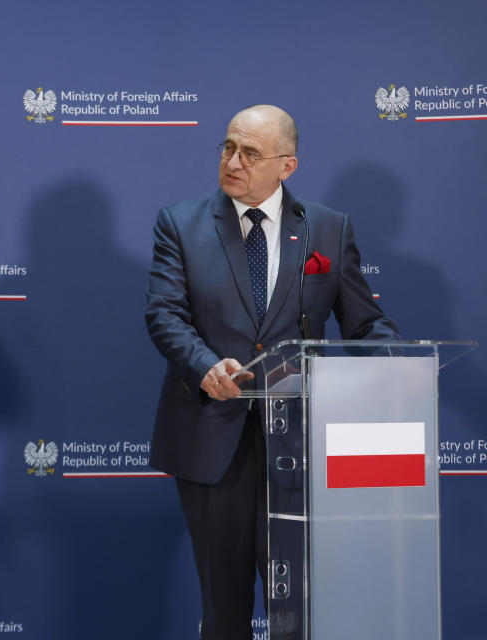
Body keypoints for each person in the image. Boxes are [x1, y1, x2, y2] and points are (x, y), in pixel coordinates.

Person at [144, 104, 398, 639]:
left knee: (300, 614)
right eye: (228, 148)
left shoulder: (327, 229)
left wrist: (407, 372)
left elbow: (364, 324)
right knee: (224, 612)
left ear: (287, 166)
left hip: (299, 448)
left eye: (250, 154)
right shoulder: (181, 224)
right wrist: (205, 365)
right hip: (213, 441)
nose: (233, 162)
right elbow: (164, 314)